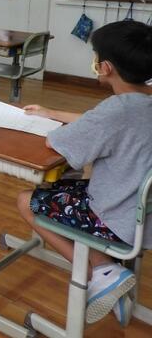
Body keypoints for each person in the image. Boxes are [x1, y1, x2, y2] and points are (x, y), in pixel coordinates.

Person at [18, 20, 152, 324]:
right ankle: (108, 269)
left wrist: (50, 124)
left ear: (105, 67)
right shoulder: (139, 102)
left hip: (115, 217)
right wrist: (51, 112)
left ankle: (101, 274)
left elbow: (58, 142)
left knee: (26, 200)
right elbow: (99, 122)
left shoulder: (115, 111)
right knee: (69, 187)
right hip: (143, 212)